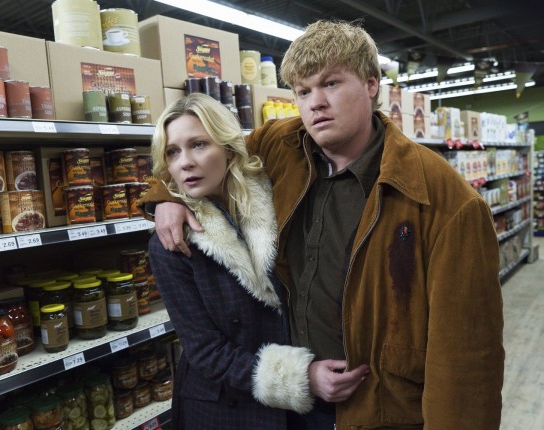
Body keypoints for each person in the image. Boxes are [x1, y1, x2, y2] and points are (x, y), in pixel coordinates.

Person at [141, 20, 505, 429]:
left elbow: (467, 357)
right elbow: (201, 157)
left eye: (330, 83)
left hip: (381, 409)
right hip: (299, 406)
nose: (316, 103)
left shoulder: (446, 200)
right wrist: (166, 196)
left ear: (371, 84)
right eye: (303, 91)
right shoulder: (282, 146)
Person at [146, 92, 331, 429]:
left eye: (199, 144)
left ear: (229, 148)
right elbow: (205, 352)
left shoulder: (276, 198)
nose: (185, 162)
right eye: (173, 152)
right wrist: (300, 377)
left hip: (300, 404)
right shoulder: (171, 242)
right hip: (226, 407)